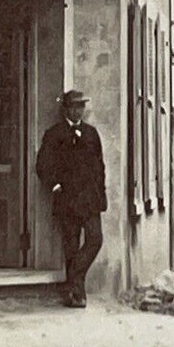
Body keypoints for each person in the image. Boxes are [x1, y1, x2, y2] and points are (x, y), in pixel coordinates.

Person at [34, 90, 106, 307]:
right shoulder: (54, 134)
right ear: (65, 109)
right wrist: (56, 186)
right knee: (71, 245)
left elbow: (99, 167)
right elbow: (43, 166)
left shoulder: (91, 133)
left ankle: (73, 277)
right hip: (68, 199)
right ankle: (77, 295)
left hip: (90, 199)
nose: (79, 111)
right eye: (75, 106)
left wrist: (101, 196)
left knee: (95, 239)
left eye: (81, 106)